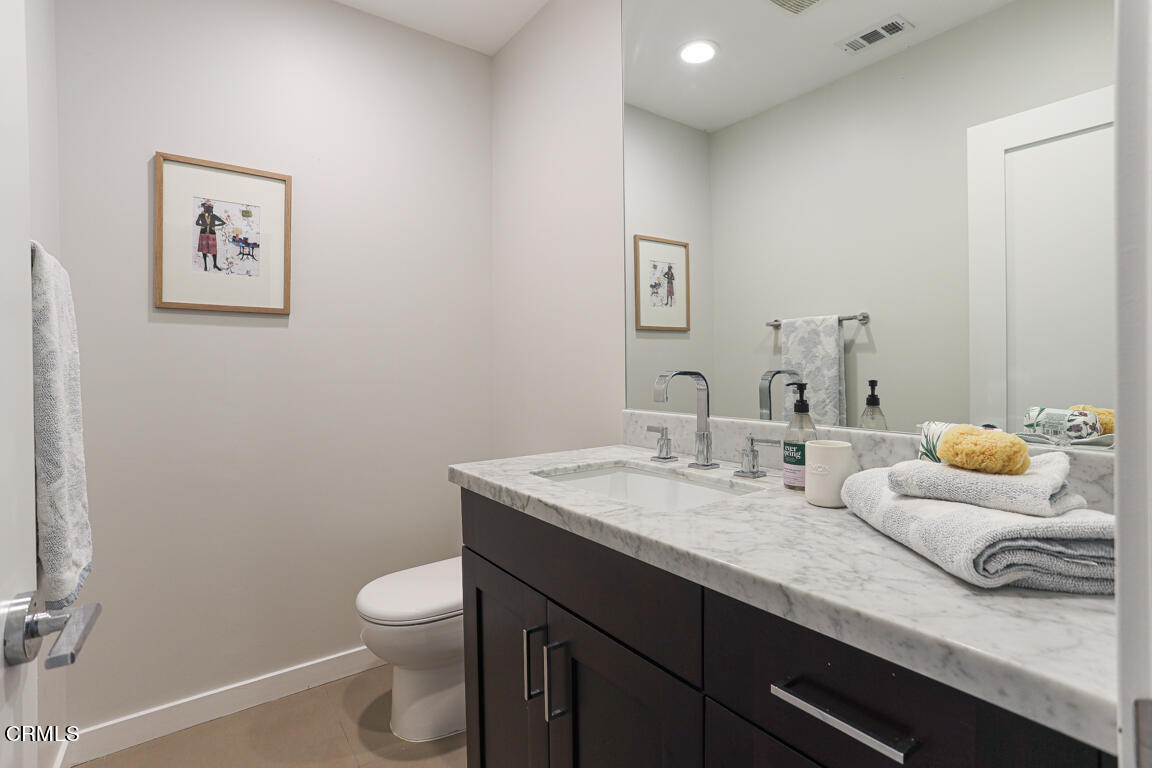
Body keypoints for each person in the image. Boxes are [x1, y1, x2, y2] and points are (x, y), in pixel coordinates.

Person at [195, 200, 226, 271]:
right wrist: (203, 224)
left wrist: (214, 225)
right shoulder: (201, 215)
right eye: (205, 208)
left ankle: (215, 264)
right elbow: (196, 223)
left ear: (211, 209)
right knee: (204, 250)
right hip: (203, 233)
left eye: (208, 208)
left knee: (213, 250)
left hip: (212, 234)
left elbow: (223, 222)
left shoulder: (214, 216)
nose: (206, 209)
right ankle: (205, 265)